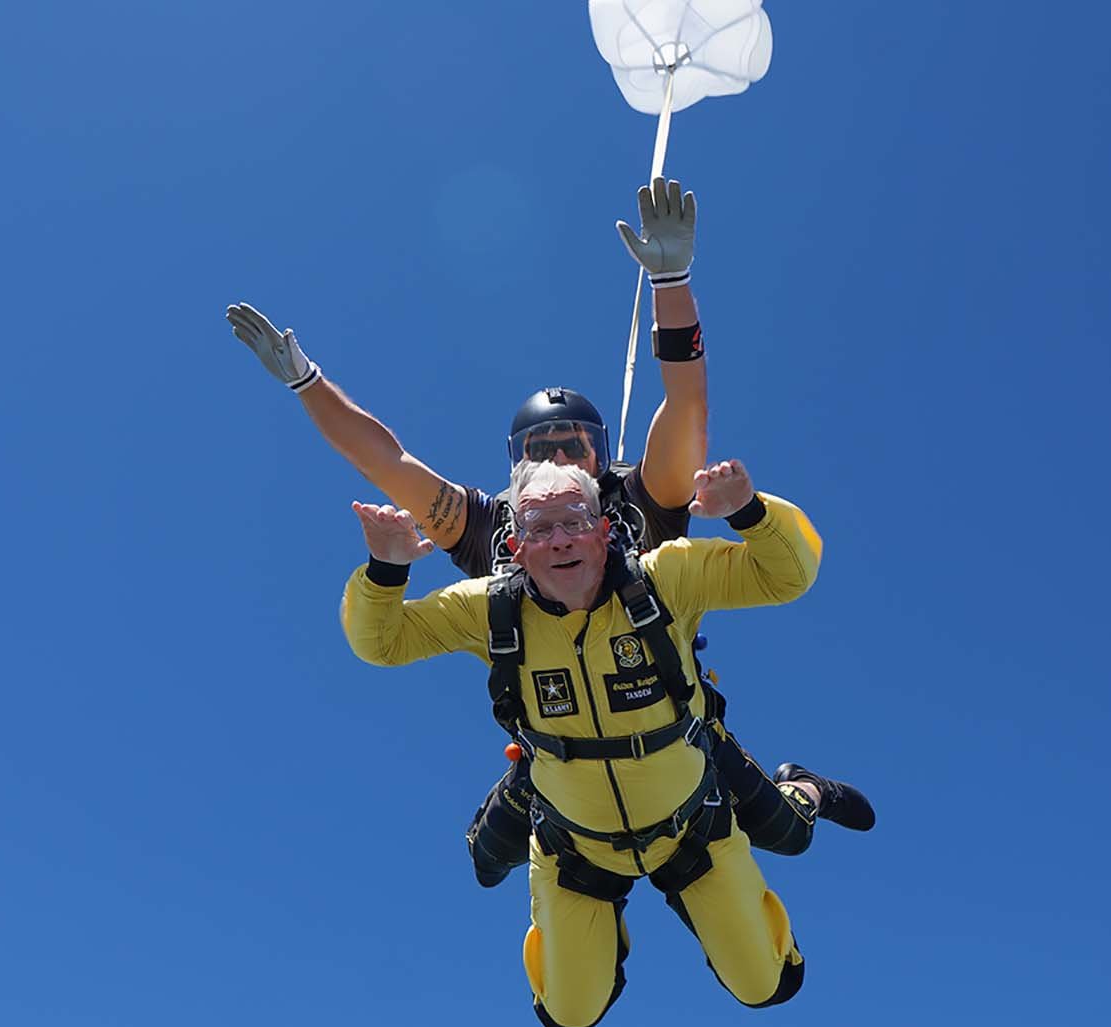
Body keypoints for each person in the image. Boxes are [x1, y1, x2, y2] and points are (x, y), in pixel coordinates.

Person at [226, 178, 871, 885]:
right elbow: (384, 460)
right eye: (541, 448)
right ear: (514, 465)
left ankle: (804, 783)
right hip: (556, 730)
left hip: (664, 715)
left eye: (574, 446)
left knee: (784, 832)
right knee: (485, 859)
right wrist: (307, 383)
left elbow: (686, 401)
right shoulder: (488, 525)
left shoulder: (641, 497)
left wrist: (671, 284)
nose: (559, 460)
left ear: (601, 455)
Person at [342, 458, 827, 1027]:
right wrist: (385, 569)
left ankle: (803, 790)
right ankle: (601, 938)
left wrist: (749, 511)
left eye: (574, 519)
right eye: (538, 526)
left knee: (767, 984)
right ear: (515, 545)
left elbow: (788, 575)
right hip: (576, 848)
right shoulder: (491, 608)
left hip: (692, 828)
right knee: (567, 1013)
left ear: (604, 529)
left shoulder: (665, 578)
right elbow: (381, 643)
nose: (560, 539)